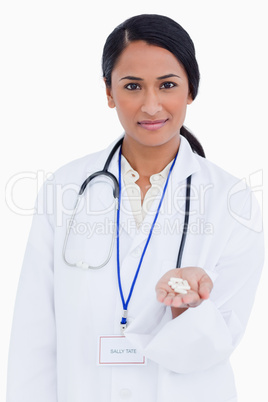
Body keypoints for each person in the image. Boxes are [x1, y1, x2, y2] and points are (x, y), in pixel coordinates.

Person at [7, 14, 264, 402]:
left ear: (191, 90)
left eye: (167, 85)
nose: (151, 105)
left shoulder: (234, 201)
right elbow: (34, 335)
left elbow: (219, 344)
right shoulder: (65, 188)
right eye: (132, 86)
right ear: (109, 93)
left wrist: (189, 309)